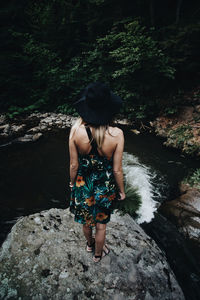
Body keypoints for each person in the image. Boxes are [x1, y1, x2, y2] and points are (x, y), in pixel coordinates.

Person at [68, 82, 125, 263]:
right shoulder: (117, 134)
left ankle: (89, 244)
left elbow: (73, 165)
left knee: (86, 222)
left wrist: (72, 182)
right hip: (105, 186)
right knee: (101, 226)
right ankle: (98, 255)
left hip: (83, 183)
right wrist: (122, 191)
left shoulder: (75, 130)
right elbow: (117, 169)